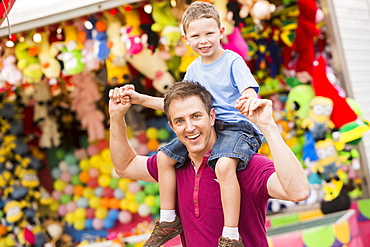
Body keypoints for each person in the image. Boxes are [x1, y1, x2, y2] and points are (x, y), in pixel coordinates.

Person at [120, 2, 263, 246]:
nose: (203, 40)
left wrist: (249, 97)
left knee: (224, 165)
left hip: (237, 129)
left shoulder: (232, 61)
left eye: (209, 33)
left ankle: (230, 235)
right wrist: (139, 99)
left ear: (221, 32)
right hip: (209, 128)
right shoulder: (194, 69)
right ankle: (168, 220)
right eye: (196, 36)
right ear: (185, 39)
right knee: (165, 157)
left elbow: (248, 88)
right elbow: (176, 103)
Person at [109, 81, 310, 247]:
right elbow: (125, 166)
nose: (189, 127)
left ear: (212, 117)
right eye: (180, 121)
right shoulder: (173, 166)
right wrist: (117, 117)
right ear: (171, 126)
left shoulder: (243, 164)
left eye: (196, 116)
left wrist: (269, 127)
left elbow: (298, 192)